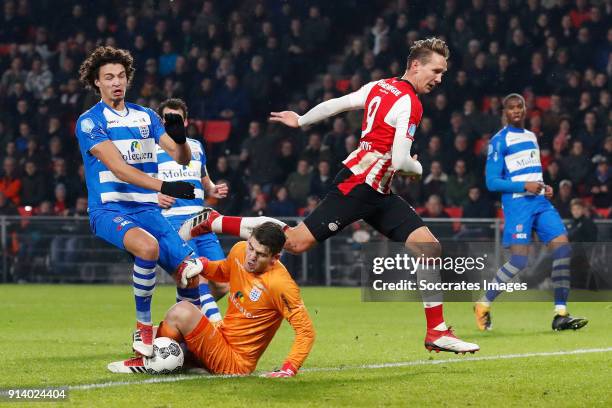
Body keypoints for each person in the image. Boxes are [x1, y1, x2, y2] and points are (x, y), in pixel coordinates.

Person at [180, 38, 479, 354]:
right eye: (436, 70)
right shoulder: (410, 103)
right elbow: (402, 160)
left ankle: (436, 331)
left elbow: (339, 103)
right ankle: (215, 221)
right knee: (295, 242)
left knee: (428, 247)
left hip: (378, 191)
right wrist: (417, 167)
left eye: (443, 73)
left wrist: (302, 119)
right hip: (358, 187)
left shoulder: (382, 86)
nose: (440, 79)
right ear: (415, 65)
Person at [75, 46, 222, 357]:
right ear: (97, 83)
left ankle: (189, 343)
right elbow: (119, 168)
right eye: (109, 77)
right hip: (109, 210)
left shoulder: (146, 116)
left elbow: (181, 158)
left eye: (121, 76)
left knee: (190, 273)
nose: (117, 82)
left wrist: (179, 137)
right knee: (147, 247)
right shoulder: (89, 122)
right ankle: (143, 326)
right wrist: (164, 185)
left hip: (148, 211)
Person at [108, 223, 315, 377]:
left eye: (260, 254)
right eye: (251, 247)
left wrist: (288, 369)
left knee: (183, 311)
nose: (251, 256)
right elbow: (224, 271)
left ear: (275, 258)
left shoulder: (281, 285)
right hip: (222, 336)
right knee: (145, 335)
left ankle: (152, 362)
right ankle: (182, 360)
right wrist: (203, 265)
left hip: (236, 363)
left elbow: (306, 332)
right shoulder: (240, 250)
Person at [476, 93, 588, 332]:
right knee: (518, 261)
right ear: (504, 113)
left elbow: (532, 172)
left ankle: (560, 313)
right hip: (518, 205)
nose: (516, 111)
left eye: (520, 107)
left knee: (563, 248)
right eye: (511, 108)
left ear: (525, 110)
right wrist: (523, 186)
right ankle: (483, 303)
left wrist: (544, 187)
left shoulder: (531, 137)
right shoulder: (498, 141)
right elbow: (492, 182)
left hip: (539, 202)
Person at [155, 98, 230, 311]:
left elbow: (203, 178)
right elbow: (135, 183)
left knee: (223, 284)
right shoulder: (151, 149)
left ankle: (182, 318)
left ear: (185, 123)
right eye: (167, 119)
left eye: (176, 119)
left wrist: (213, 188)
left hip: (202, 220)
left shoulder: (196, 147)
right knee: (198, 279)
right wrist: (154, 197)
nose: (171, 123)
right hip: (173, 222)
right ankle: (215, 329)